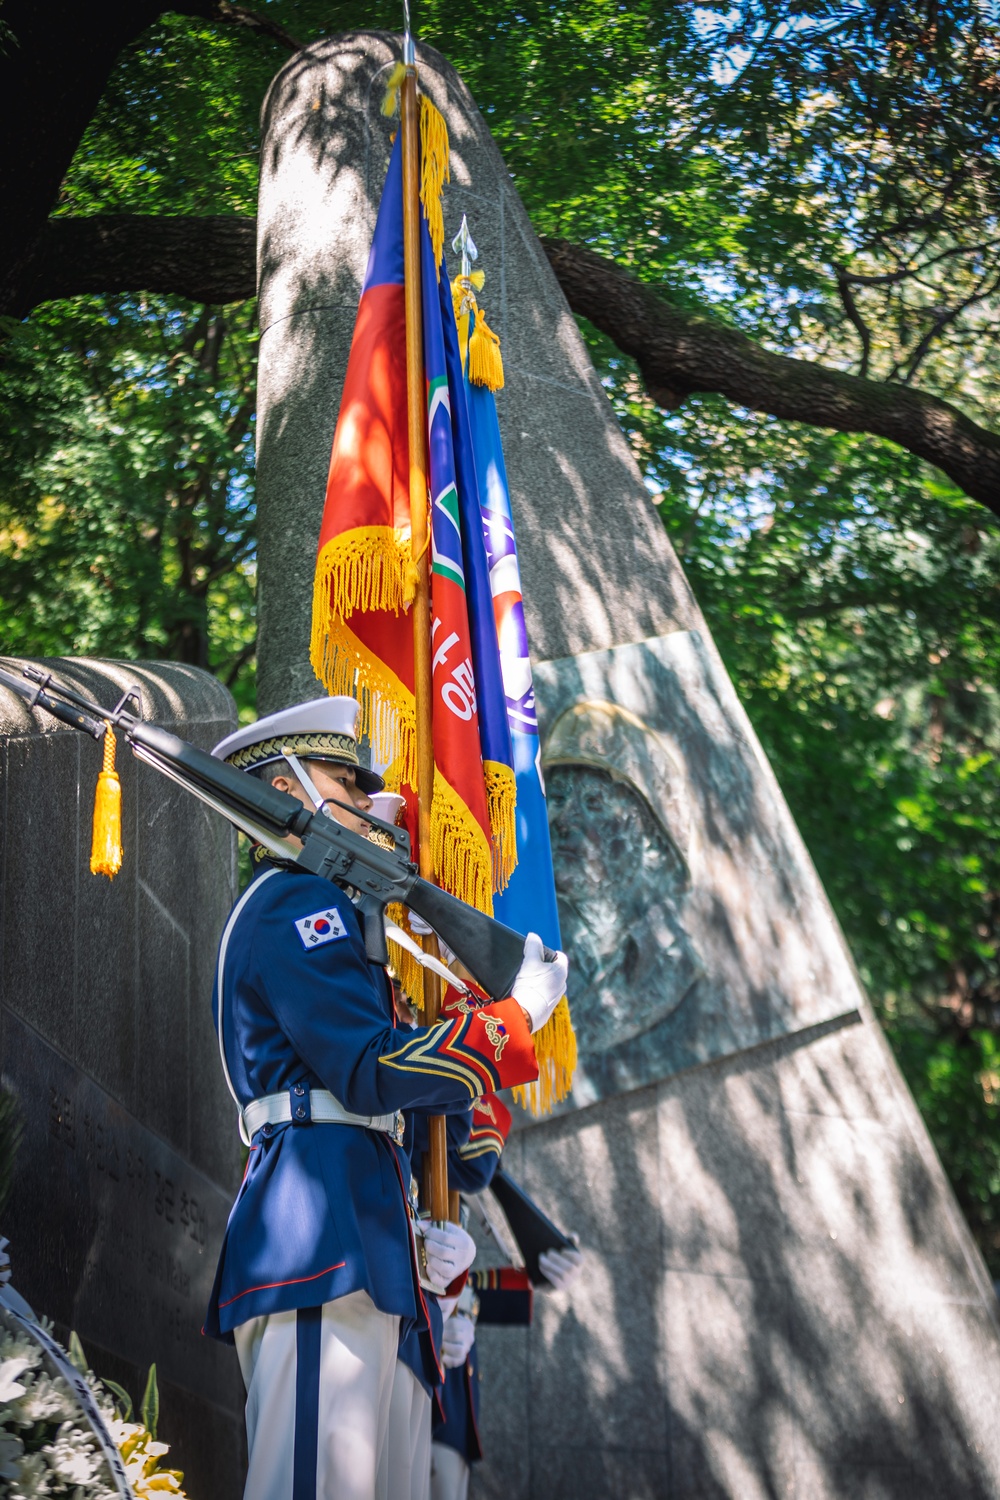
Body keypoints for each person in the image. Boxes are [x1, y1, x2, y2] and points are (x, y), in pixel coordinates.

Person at [204, 695, 569, 1500]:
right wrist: (512, 1023)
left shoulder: (331, 911)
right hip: (317, 1243)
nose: (375, 803)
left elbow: (384, 1107)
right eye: (349, 781)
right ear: (291, 790)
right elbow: (368, 1071)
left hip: (367, 1244)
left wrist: (433, 1240)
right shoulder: (296, 902)